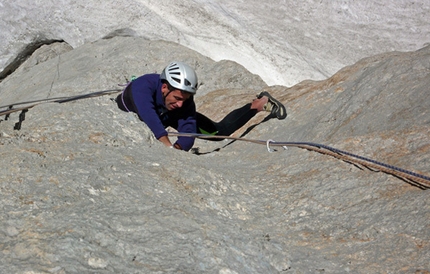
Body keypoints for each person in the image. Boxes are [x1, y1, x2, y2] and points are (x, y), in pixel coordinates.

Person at [115, 61, 286, 151]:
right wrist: (166, 143)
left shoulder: (184, 102)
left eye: (185, 99)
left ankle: (257, 105)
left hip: (168, 117)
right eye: (176, 98)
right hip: (155, 116)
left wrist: (178, 148)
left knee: (219, 132)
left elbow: (189, 129)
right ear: (164, 87)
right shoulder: (143, 85)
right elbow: (147, 113)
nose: (180, 103)